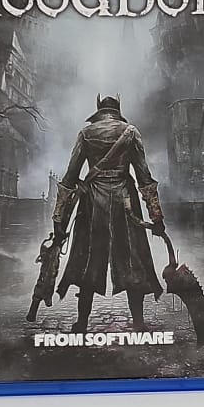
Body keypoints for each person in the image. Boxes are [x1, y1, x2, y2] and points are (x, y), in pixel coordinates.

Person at [52, 94, 165, 333]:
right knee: (132, 260)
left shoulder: (86, 133)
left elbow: (70, 177)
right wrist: (156, 216)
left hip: (93, 201)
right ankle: (138, 322)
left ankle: (82, 323)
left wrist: (58, 218)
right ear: (118, 109)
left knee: (89, 260)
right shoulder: (131, 132)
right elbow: (144, 177)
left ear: (98, 109)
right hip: (125, 201)